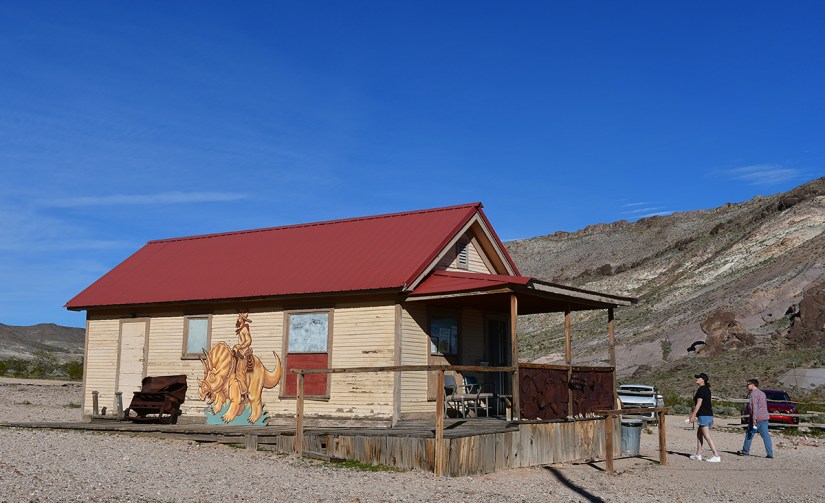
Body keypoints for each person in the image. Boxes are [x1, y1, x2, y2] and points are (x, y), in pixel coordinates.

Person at [689, 372, 721, 462]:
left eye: (698, 378)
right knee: (699, 434)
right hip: (707, 414)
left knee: (707, 436)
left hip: (703, 415)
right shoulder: (707, 389)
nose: (696, 379)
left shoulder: (701, 390)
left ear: (702, 379)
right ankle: (698, 454)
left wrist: (693, 415)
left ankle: (716, 455)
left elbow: (699, 404)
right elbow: (708, 404)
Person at [738, 378, 774, 458]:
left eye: (748, 384)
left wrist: (754, 419)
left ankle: (745, 450)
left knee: (749, 434)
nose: (747, 386)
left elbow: (754, 407)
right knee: (766, 436)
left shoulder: (753, 394)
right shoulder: (762, 393)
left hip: (756, 418)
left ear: (752, 385)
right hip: (764, 418)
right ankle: (770, 453)